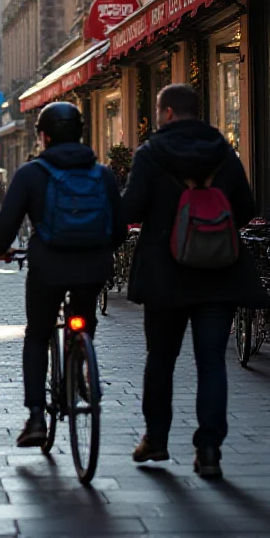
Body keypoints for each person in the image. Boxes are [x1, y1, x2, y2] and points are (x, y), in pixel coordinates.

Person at [122, 84, 270, 479]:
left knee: (161, 359)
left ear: (167, 112)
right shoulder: (223, 151)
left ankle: (155, 439)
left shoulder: (151, 154)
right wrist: (209, 232)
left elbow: (130, 208)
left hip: (165, 276)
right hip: (219, 273)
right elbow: (246, 209)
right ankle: (208, 450)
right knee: (211, 363)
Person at [0, 102, 126, 448]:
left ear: (44, 136)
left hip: (48, 266)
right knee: (83, 317)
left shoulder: (31, 173)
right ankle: (81, 360)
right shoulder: (102, 174)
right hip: (93, 267)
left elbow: (6, 225)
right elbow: (120, 230)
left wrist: (1, 249)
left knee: (37, 334)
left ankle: (37, 416)